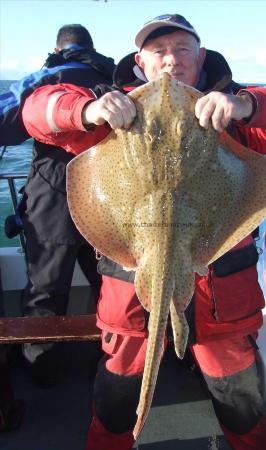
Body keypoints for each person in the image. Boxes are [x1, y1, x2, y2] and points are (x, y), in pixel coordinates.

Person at [21, 14, 266, 449]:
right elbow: (36, 111)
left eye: (182, 50)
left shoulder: (233, 112)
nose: (170, 62)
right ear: (141, 61)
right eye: (159, 52)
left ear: (201, 58)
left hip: (222, 300)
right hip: (130, 294)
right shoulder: (112, 111)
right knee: (117, 396)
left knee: (239, 398)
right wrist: (86, 109)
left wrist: (247, 104)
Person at [1, 24, 116, 387]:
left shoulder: (47, 76)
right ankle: (117, 363)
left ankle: (43, 369)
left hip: (54, 202)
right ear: (92, 48)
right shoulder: (116, 77)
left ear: (58, 47)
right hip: (109, 202)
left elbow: (6, 124)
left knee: (46, 292)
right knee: (111, 288)